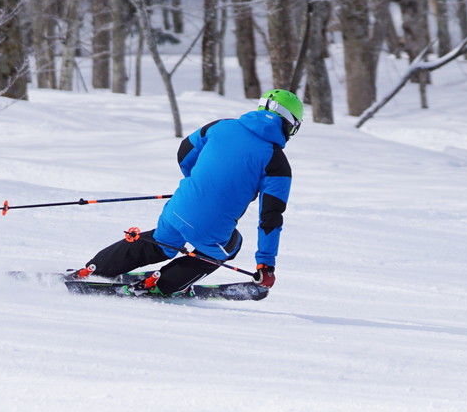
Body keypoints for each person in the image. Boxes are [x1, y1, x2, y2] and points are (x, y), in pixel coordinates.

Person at [73, 89, 303, 296]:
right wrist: (265, 265)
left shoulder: (221, 125)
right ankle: (162, 283)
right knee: (229, 245)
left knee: (161, 242)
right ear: (288, 123)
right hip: (211, 227)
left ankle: (93, 268)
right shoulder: (277, 163)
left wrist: (200, 184)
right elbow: (270, 218)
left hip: (178, 208)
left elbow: (185, 151)